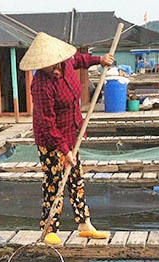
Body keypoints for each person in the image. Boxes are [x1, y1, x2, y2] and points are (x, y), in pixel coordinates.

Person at [19, 32, 115, 245]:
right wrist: (64, 150)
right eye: (46, 66)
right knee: (54, 183)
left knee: (75, 179)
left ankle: (84, 224)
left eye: (54, 64)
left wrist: (100, 60)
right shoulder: (41, 85)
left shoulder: (68, 62)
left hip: (73, 133)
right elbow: (47, 123)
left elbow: (81, 59)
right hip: (51, 141)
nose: (53, 69)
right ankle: (50, 228)